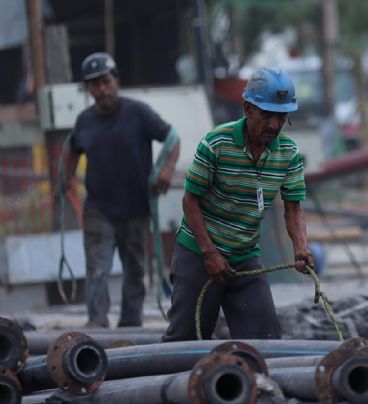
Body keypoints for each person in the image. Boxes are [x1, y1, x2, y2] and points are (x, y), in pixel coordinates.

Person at [162, 67, 314, 341]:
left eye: (281, 116)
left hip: (245, 256)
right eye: (267, 115)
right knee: (186, 342)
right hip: (198, 253)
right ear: (247, 108)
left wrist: (301, 247)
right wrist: (210, 254)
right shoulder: (216, 143)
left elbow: (293, 210)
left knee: (265, 341)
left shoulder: (289, 153)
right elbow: (190, 201)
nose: (274, 125)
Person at [63, 52, 180, 328]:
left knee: (135, 270)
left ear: (117, 80)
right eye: (95, 84)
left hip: (136, 207)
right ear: (88, 89)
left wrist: (166, 170)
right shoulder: (85, 121)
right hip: (99, 209)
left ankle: (131, 325)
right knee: (98, 269)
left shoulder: (138, 113)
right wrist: (64, 180)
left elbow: (172, 137)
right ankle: (97, 323)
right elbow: (72, 148)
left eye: (106, 81)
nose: (102, 89)